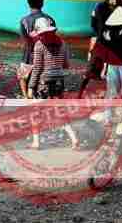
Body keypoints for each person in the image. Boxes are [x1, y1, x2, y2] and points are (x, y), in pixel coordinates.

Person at [26, 18, 80, 149]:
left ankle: (36, 142)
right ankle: (74, 138)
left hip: (44, 83)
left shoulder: (39, 45)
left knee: (35, 112)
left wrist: (31, 86)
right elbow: (66, 65)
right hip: (59, 82)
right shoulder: (62, 43)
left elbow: (38, 68)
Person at [18, 0, 54, 98]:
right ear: (42, 3)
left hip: (29, 54)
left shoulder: (24, 20)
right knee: (41, 78)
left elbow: (25, 39)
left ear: (28, 4)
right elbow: (52, 38)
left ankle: (26, 97)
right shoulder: (50, 19)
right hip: (46, 55)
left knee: (22, 76)